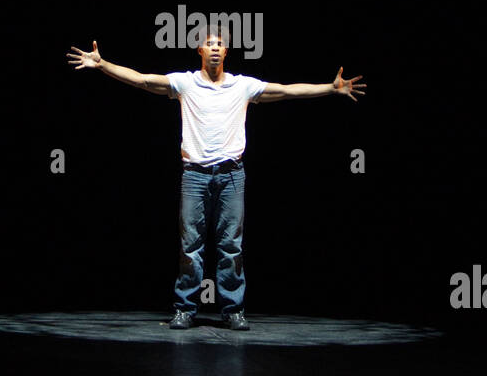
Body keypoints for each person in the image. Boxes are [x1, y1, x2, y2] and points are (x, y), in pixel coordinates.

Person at [66, 24, 366, 331]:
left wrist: (330, 88)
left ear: (226, 51)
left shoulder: (243, 86)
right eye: (208, 43)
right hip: (195, 175)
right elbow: (143, 80)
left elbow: (286, 90)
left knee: (231, 246)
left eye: (219, 44)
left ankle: (233, 309)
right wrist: (102, 65)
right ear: (199, 50)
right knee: (190, 246)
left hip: (232, 175)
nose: (213, 48)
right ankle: (185, 308)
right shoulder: (185, 83)